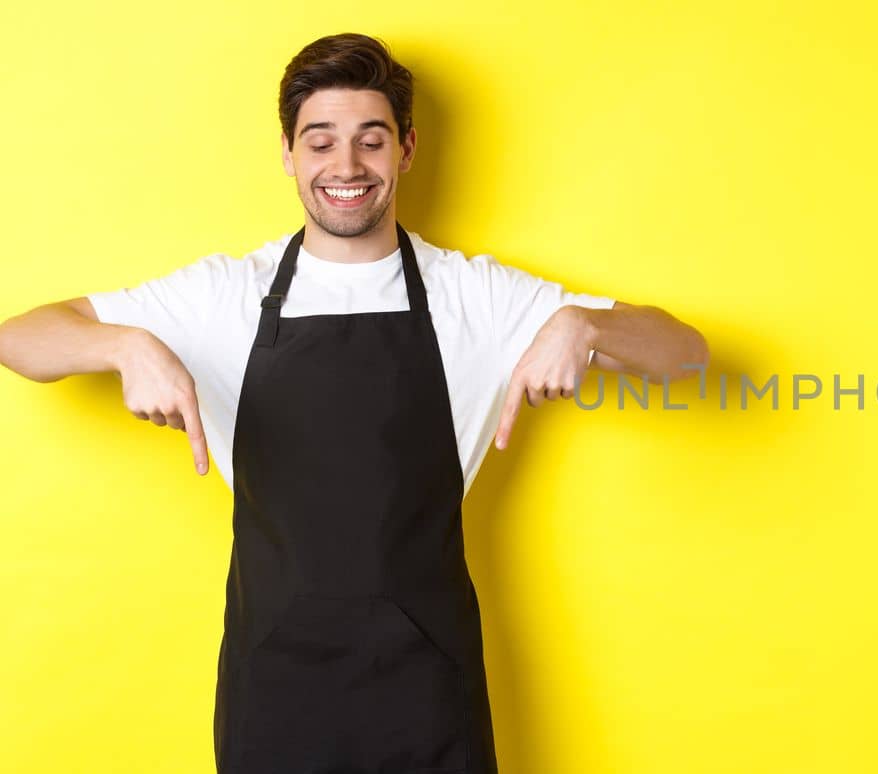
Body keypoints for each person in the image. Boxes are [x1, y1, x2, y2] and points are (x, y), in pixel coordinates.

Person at [0, 32, 708, 774]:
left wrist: (582, 324)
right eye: (321, 142)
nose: (345, 167)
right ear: (287, 153)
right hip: (272, 682)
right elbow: (22, 337)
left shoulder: (476, 295)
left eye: (370, 141)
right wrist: (123, 347)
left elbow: (685, 353)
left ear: (405, 148)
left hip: (428, 686)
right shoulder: (223, 295)